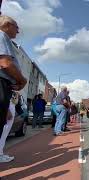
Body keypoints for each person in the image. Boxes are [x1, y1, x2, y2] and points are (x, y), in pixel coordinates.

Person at [0, 15, 27, 149]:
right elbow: (6, 63)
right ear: (7, 25)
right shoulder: (1, 36)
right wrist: (23, 80)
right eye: (16, 27)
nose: (18, 31)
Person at [0, 92, 18, 163]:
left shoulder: (11, 90)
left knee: (4, 135)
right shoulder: (4, 84)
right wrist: (7, 111)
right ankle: (0, 155)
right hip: (6, 113)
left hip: (9, 111)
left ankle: (1, 153)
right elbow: (2, 99)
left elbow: (15, 102)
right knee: (2, 134)